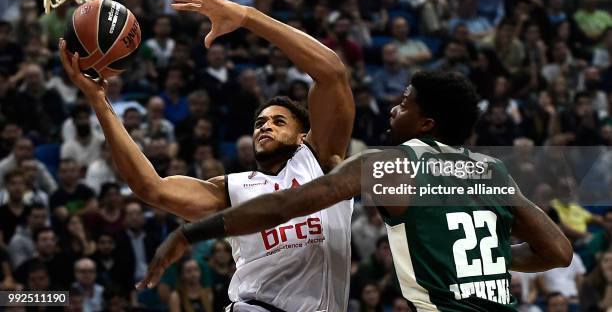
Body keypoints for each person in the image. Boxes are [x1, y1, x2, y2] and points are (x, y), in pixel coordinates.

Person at [141, 70, 573, 311]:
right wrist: (490, 258)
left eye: (403, 103)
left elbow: (290, 203)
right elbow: (557, 252)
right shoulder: (493, 171)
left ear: (426, 124)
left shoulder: (392, 164)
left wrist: (188, 233)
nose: (392, 108)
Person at [60, 0, 355, 311]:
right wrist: (99, 103)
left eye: (278, 121)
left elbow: (332, 73)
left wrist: (246, 16)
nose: (265, 126)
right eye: (259, 123)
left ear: (302, 136)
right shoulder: (235, 189)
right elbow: (151, 187)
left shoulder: (320, 162)